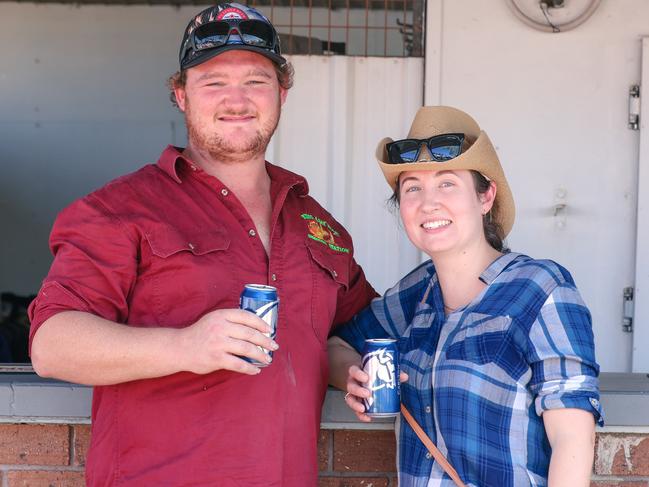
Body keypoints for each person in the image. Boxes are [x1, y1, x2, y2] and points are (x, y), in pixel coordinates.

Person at [28, 3, 376, 485]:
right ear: (181, 95)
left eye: (256, 80)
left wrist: (351, 371)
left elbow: (342, 333)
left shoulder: (317, 225)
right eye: (213, 81)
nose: (237, 99)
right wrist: (186, 346)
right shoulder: (120, 209)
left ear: (282, 93)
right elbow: (52, 346)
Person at [328, 106, 603, 487]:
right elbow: (335, 345)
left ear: (486, 196)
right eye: (412, 188)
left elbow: (572, 438)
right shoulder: (415, 294)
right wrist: (353, 377)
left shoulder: (542, 289)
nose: (428, 202)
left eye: (447, 183)